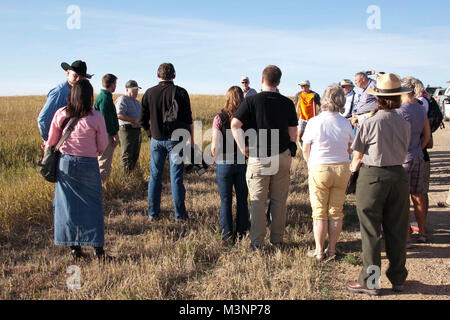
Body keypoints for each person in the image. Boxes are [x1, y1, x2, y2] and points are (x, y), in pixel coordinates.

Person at [345, 73, 412, 296]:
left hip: (373, 176)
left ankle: (371, 282)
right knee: (397, 229)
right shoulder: (405, 123)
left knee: (371, 231)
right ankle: (398, 277)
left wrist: (351, 175)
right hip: (399, 176)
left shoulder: (370, 123)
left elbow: (357, 155)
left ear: (379, 98)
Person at [231, 65, 298, 248]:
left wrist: (243, 147)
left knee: (257, 202)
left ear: (262, 80)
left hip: (258, 157)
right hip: (282, 155)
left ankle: (257, 242)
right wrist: (291, 150)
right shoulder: (287, 103)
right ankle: (277, 240)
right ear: (278, 82)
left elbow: (235, 124)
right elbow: (293, 132)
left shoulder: (251, 101)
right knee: (279, 201)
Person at [46, 79, 109, 260]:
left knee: (67, 207)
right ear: (90, 97)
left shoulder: (61, 114)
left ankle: (74, 248)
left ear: (71, 95)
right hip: (88, 163)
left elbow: (52, 141)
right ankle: (98, 250)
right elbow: (102, 145)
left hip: (65, 164)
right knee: (93, 206)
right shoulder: (96, 116)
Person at [302, 84, 354, 261]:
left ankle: (318, 251)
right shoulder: (345, 122)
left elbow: (306, 147)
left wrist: (310, 163)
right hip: (341, 168)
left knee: (319, 211)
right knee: (336, 211)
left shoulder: (314, 122)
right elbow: (349, 147)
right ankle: (332, 249)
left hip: (319, 166)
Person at [140, 63, 193, 221]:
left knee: (154, 176)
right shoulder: (181, 92)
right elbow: (188, 119)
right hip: (176, 140)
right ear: (174, 76)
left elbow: (142, 119)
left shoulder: (149, 93)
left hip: (156, 140)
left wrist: (150, 133)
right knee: (176, 177)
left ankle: (153, 213)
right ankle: (180, 215)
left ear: (158, 75)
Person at [211, 86, 249, 242]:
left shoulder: (219, 118)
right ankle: (241, 233)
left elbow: (214, 147)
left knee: (225, 199)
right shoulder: (247, 117)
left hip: (224, 162)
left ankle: (226, 235)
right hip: (242, 162)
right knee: (242, 198)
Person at [397, 77, 431, 245]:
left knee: (402, 199)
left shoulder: (400, 111)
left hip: (403, 158)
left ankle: (406, 235)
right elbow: (427, 135)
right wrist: (418, 147)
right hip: (417, 155)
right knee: (418, 196)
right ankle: (422, 232)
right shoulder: (419, 108)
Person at [38, 60, 92, 148]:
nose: (78, 79)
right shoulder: (60, 92)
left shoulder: (78, 92)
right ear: (68, 74)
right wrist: (50, 141)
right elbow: (43, 119)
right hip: (60, 145)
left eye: (81, 77)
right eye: (75, 76)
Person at [94, 74, 119, 181]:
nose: (115, 86)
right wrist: (113, 134)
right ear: (112, 84)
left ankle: (103, 186)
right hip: (106, 135)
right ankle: (101, 189)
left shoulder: (105, 96)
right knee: (104, 162)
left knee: (106, 162)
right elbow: (105, 119)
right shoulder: (104, 99)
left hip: (105, 134)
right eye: (115, 84)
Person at [115, 80, 142, 172]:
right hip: (126, 130)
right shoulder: (123, 99)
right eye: (133, 90)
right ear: (127, 90)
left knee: (135, 154)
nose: (136, 92)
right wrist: (134, 120)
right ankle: (125, 176)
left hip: (137, 130)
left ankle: (132, 174)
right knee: (127, 154)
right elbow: (119, 115)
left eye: (137, 90)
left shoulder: (137, 103)